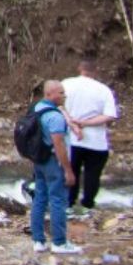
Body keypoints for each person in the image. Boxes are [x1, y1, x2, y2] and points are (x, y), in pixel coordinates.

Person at [29, 79, 82, 255]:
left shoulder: (36, 108)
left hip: (39, 160)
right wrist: (68, 170)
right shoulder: (55, 117)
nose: (64, 95)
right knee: (58, 200)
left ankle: (38, 240)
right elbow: (59, 144)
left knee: (39, 199)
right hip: (53, 161)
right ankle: (59, 242)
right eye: (60, 93)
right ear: (49, 94)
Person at [63, 57, 120, 216]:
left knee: (70, 172)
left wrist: (73, 124)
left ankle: (68, 204)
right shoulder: (103, 90)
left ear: (79, 69)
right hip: (96, 141)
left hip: (72, 138)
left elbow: (58, 106)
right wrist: (84, 123)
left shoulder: (66, 84)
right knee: (92, 175)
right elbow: (109, 116)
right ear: (95, 72)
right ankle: (88, 206)